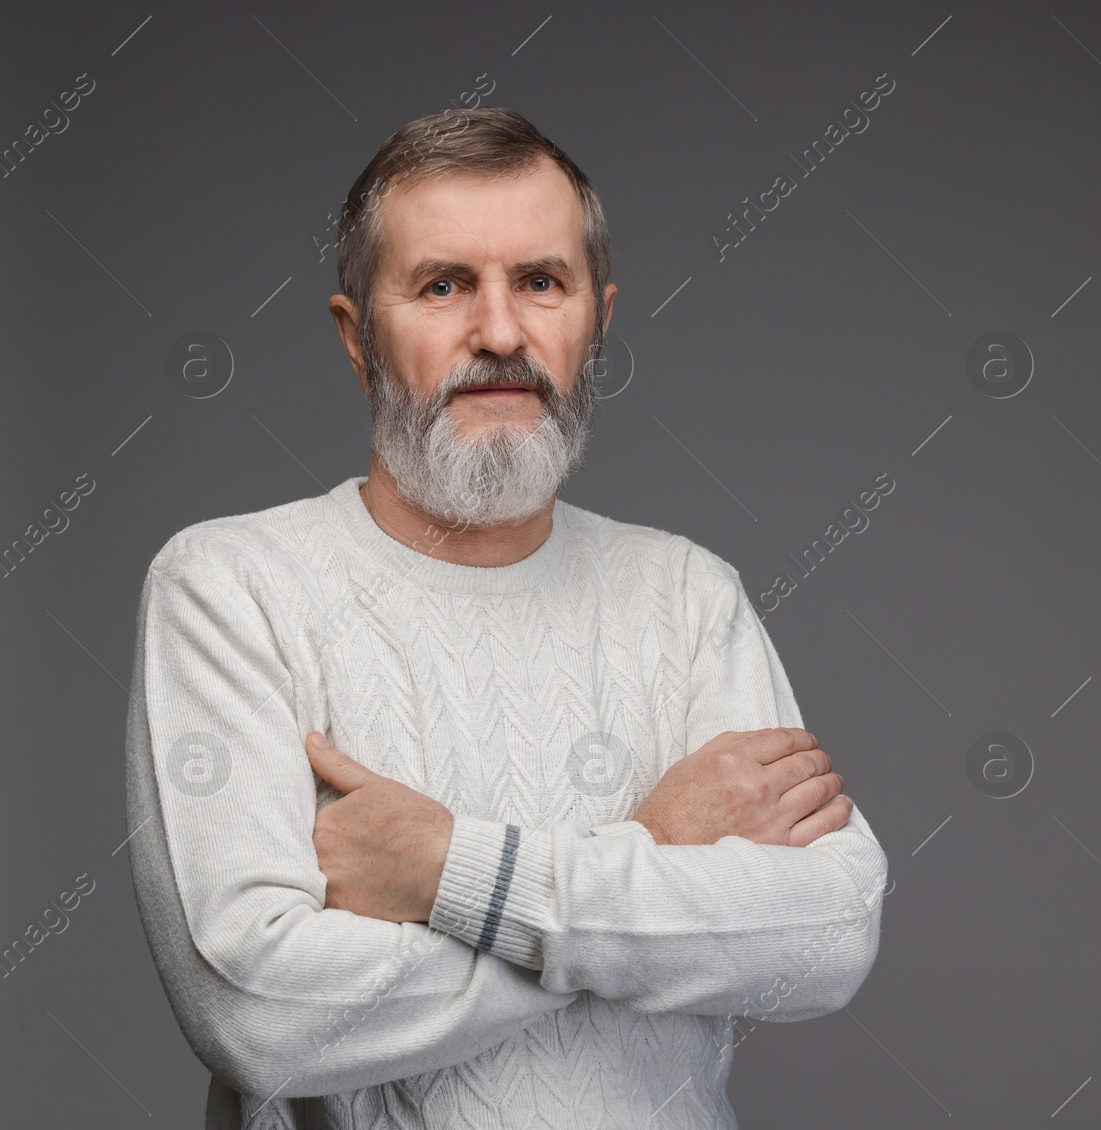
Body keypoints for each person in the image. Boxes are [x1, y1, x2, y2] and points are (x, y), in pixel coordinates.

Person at [124, 106, 888, 1129]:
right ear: (358, 338)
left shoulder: (687, 594)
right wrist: (654, 845)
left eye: (541, 282)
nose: (497, 331)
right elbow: (262, 1013)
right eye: (442, 286)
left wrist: (447, 868)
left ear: (594, 323)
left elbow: (826, 933)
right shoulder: (231, 586)